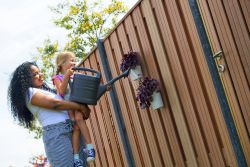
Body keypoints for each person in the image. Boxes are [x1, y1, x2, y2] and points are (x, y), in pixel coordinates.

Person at [7, 61, 90, 167]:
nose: (40, 75)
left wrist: (83, 110)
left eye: (39, 72)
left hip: (72, 129)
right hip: (57, 134)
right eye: (35, 74)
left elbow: (66, 104)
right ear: (25, 79)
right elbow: (55, 104)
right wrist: (80, 107)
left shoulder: (48, 91)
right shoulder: (29, 93)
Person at [52, 51, 95, 166]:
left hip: (77, 103)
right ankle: (76, 158)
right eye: (71, 60)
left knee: (79, 118)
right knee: (76, 128)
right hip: (68, 106)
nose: (74, 62)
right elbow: (61, 92)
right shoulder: (57, 77)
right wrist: (66, 76)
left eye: (74, 60)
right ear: (62, 63)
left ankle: (90, 148)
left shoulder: (75, 75)